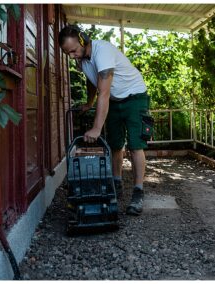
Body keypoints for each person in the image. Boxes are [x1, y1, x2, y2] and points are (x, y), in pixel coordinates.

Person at [59, 25, 151, 216]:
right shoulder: (82, 60)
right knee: (115, 145)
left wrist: (96, 128)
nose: (72, 56)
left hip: (135, 97)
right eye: (68, 53)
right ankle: (116, 183)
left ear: (83, 40)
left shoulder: (103, 52)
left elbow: (104, 92)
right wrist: (88, 102)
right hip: (114, 101)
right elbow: (91, 81)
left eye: (73, 50)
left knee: (135, 145)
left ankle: (138, 192)